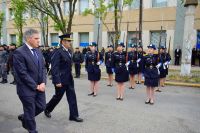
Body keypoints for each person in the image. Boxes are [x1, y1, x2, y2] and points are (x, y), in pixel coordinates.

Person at [13, 29, 46, 133]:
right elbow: (22, 73)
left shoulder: (38, 50)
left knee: (42, 106)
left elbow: (43, 68)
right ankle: (32, 130)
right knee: (30, 110)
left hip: (40, 86)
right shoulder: (19, 52)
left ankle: (25, 117)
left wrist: (43, 82)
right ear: (28, 39)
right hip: (26, 89)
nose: (38, 41)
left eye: (38, 38)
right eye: (36, 38)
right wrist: (36, 86)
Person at [44, 34, 83, 122]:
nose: (70, 43)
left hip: (69, 79)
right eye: (68, 41)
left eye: (70, 41)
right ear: (63, 42)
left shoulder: (69, 51)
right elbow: (54, 68)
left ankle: (73, 116)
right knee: (58, 97)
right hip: (60, 80)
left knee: (72, 97)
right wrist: (57, 81)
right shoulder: (57, 52)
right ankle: (47, 108)